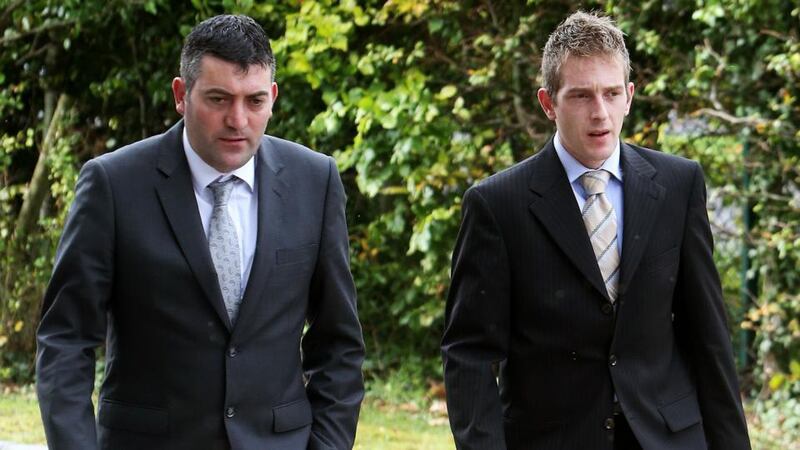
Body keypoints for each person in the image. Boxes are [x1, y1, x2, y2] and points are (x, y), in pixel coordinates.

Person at [35, 14, 364, 450]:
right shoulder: (114, 184)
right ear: (180, 94)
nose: (238, 120)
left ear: (273, 98)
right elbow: (65, 340)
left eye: (255, 101)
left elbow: (339, 343)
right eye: (218, 99)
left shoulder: (314, 180)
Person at [441, 11, 751, 450]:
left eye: (610, 94)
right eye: (582, 96)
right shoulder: (497, 205)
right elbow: (469, 354)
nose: (600, 113)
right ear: (548, 103)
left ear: (629, 96)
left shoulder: (678, 186)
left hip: (667, 437)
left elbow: (709, 336)